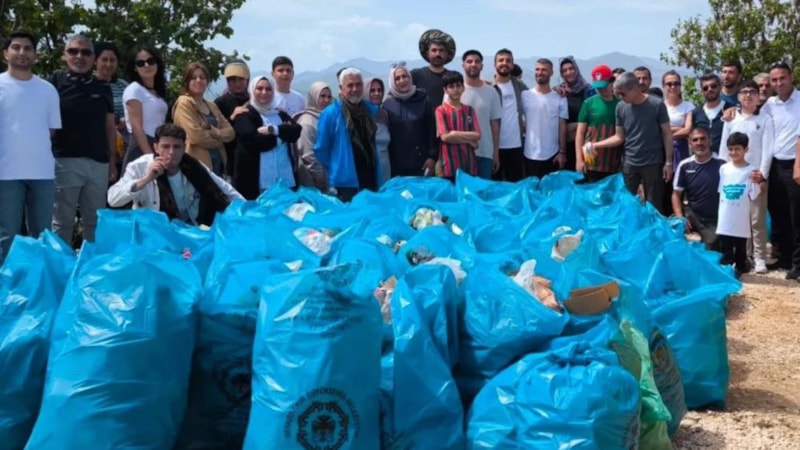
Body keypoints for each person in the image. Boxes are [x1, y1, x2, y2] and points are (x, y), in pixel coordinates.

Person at [49, 34, 116, 245]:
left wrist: (112, 161)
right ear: (64, 55)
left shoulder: (103, 87)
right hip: (64, 161)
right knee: (62, 222)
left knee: (95, 222)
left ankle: (92, 263)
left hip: (99, 163)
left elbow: (110, 127)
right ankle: (60, 263)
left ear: (93, 58)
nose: (80, 56)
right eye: (73, 51)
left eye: (86, 52)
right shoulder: (53, 83)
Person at [0, 30, 61, 263]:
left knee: (43, 236)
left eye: (28, 48)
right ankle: (7, 283)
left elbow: (51, 130)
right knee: (8, 237)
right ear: (6, 53)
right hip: (5, 174)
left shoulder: (47, 89)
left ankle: (39, 282)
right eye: (16, 47)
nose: (22, 52)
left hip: (42, 173)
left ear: (35, 55)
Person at [108, 124, 242, 225]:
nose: (171, 152)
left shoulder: (194, 166)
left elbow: (226, 190)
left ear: (184, 148)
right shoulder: (138, 166)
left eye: (176, 147)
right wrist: (145, 179)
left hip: (188, 227)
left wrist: (247, 211)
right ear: (156, 148)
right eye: (165, 147)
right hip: (152, 230)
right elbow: (113, 199)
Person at [589, 72, 673, 214]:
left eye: (622, 94)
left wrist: (668, 162)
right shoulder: (621, 107)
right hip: (630, 162)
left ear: (634, 89)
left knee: (653, 205)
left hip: (653, 162)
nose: (620, 97)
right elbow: (619, 137)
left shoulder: (656, 104)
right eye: (617, 94)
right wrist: (595, 145)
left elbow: (667, 133)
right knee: (627, 203)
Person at [719, 80, 774, 274]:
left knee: (757, 219)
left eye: (752, 92)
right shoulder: (731, 118)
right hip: (734, 177)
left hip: (754, 176)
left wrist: (763, 176)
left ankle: (759, 257)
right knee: (738, 217)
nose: (748, 95)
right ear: (738, 96)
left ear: (758, 96)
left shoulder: (765, 119)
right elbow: (724, 148)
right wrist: (724, 173)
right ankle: (745, 256)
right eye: (744, 92)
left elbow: (768, 149)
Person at [314, 68, 379, 201]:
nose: (355, 89)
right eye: (350, 85)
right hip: (345, 184)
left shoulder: (370, 110)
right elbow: (321, 149)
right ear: (341, 88)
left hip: (370, 177)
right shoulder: (331, 114)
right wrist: (338, 166)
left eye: (358, 84)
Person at [760, 62, 800, 279]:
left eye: (782, 78)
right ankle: (784, 258)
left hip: (795, 164)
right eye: (774, 80)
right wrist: (731, 111)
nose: (778, 83)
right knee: (778, 213)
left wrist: (798, 166)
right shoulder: (770, 104)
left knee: (796, 216)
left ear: (791, 77)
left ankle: (798, 263)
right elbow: (755, 119)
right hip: (774, 166)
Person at [232, 76, 302, 200]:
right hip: (258, 182)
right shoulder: (245, 114)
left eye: (268, 89)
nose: (264, 92)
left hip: (285, 178)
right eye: (259, 88)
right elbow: (253, 141)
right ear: (252, 90)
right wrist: (281, 136)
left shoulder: (279, 113)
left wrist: (273, 130)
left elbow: (296, 131)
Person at [171, 62, 235, 177]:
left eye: (202, 77)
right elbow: (196, 137)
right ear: (186, 82)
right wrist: (220, 140)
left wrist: (215, 132)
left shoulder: (212, 106)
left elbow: (231, 133)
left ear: (207, 81)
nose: (198, 80)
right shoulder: (184, 104)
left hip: (218, 165)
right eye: (193, 78)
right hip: (197, 167)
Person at [672, 127, 725, 250]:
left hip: (716, 217)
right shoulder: (684, 165)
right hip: (693, 215)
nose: (699, 143)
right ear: (690, 144)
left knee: (712, 248)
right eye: (695, 140)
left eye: (703, 139)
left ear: (710, 141)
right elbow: (676, 194)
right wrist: (680, 218)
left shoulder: (722, 164)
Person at [717, 132, 761, 277]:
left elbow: (754, 194)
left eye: (737, 149)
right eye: (730, 149)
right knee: (725, 247)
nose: (733, 152)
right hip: (725, 215)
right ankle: (726, 271)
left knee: (740, 247)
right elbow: (721, 190)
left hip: (741, 217)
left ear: (745, 149)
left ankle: (741, 267)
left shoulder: (751, 171)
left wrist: (758, 182)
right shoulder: (724, 169)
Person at [383, 62, 437, 177]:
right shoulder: (387, 105)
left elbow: (432, 130)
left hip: (422, 163)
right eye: (397, 78)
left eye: (405, 76)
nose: (402, 80)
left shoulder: (423, 100)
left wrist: (432, 157)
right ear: (392, 82)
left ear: (410, 77)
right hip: (396, 165)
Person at [121, 45, 168, 173]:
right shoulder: (134, 89)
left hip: (158, 144)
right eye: (141, 63)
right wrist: (150, 157)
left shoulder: (157, 92)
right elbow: (137, 128)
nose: (147, 65)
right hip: (141, 146)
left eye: (150, 61)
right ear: (135, 68)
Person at [457, 50, 501, 179]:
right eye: (469, 61)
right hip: (459, 153)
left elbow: (494, 124)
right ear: (463, 65)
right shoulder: (454, 90)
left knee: (484, 190)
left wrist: (496, 153)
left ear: (482, 66)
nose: (473, 64)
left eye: (477, 62)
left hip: (485, 153)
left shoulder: (491, 91)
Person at [575, 65, 622, 182]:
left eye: (604, 86)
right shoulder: (588, 103)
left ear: (612, 82)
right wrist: (579, 160)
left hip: (612, 160)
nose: (602, 90)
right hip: (590, 159)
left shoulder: (620, 105)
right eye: (598, 88)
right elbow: (580, 133)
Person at [522, 59, 568, 178]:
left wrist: (562, 152)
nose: (540, 72)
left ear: (551, 72)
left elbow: (562, 126)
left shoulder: (560, 97)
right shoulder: (525, 95)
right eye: (537, 69)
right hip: (529, 154)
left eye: (544, 70)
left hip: (553, 155)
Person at [435, 71, 480, 182]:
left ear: (463, 88)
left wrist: (454, 133)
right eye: (451, 86)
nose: (455, 89)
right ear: (445, 90)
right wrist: (469, 141)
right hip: (448, 168)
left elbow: (477, 135)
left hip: (469, 166)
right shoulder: (441, 110)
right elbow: (445, 137)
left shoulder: (469, 110)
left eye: (458, 86)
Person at [492, 48, 529, 182]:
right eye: (501, 60)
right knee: (495, 187)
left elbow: (537, 95)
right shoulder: (489, 88)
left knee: (515, 186)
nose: (504, 63)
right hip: (494, 147)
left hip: (516, 146)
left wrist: (557, 90)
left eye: (508, 61)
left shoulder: (519, 86)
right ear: (495, 64)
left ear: (512, 65)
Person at [93, 42, 129, 169]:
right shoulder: (88, 85)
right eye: (104, 60)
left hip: (123, 150)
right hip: (98, 149)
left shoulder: (123, 85)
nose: (108, 64)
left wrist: (127, 120)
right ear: (95, 60)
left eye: (112, 60)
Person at [294, 82, 333, 190]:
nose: (326, 100)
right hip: (314, 181)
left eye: (329, 97)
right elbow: (308, 154)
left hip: (328, 176)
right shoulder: (307, 122)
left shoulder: (325, 118)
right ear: (314, 97)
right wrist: (320, 177)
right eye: (322, 96)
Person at [559, 56, 596, 171]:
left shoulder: (589, 91)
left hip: (588, 143)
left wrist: (573, 126)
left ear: (576, 69)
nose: (568, 72)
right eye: (564, 70)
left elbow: (594, 119)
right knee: (568, 175)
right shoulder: (559, 92)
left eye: (571, 69)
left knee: (589, 172)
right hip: (566, 145)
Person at [214, 60, 251, 174]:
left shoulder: (254, 101)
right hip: (229, 159)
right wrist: (232, 117)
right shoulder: (220, 103)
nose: (237, 83)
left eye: (241, 79)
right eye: (233, 79)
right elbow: (216, 132)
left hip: (251, 157)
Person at [692, 73, 736, 154]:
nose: (710, 89)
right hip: (703, 158)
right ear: (702, 92)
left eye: (713, 86)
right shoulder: (696, 112)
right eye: (705, 88)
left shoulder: (731, 109)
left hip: (726, 157)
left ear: (720, 87)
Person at [411, 29, 456, 108]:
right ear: (427, 53)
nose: (437, 54)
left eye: (441, 50)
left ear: (446, 54)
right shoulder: (415, 75)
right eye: (434, 50)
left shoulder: (453, 77)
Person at [364, 77, 391, 187]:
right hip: (367, 167)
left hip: (384, 165)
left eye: (379, 90)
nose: (377, 93)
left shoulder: (385, 114)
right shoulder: (359, 116)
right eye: (372, 90)